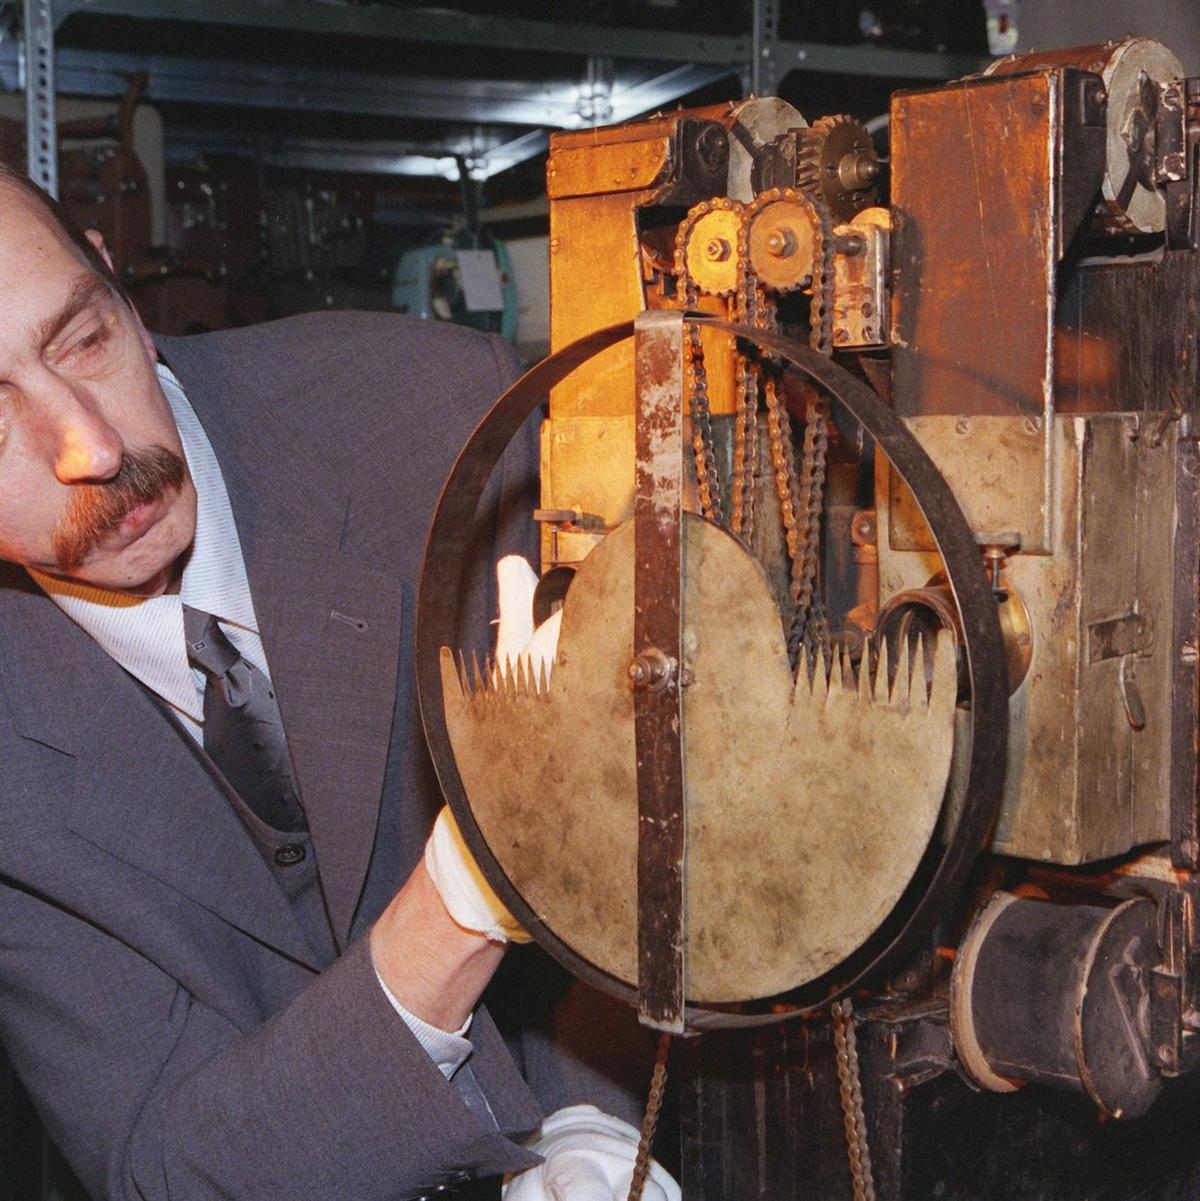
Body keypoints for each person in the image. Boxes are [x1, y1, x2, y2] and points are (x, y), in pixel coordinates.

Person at [0, 165, 676, 1200]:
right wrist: (456, 909)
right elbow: (163, 1165)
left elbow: (669, 813)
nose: (90, 448)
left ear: (117, 285)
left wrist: (592, 1109)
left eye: (83, 340)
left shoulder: (445, 421)